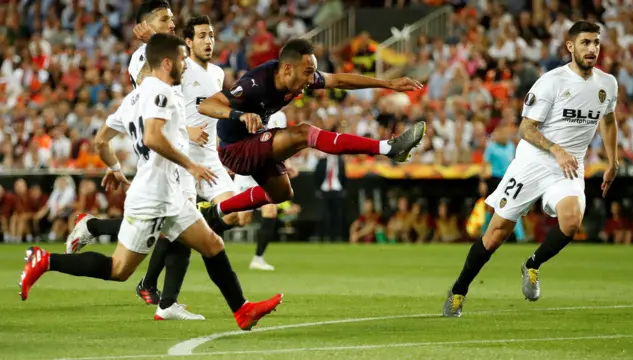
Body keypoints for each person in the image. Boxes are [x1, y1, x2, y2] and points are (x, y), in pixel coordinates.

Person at [20, 33, 282, 330]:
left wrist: (115, 167)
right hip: (153, 196)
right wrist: (191, 165)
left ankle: (242, 311)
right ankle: (45, 260)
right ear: (167, 62)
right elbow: (152, 137)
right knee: (119, 269)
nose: (185, 64)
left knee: (211, 243)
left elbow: (100, 140)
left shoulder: (133, 98)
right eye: (182, 59)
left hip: (168, 193)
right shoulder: (163, 93)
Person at [443, 21, 619, 317]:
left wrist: (613, 161)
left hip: (569, 166)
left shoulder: (607, 84)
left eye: (596, 43)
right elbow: (526, 128)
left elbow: (610, 121)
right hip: (533, 163)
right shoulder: (551, 82)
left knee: (572, 222)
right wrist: (556, 149)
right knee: (496, 233)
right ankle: (459, 290)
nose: (592, 49)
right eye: (586, 42)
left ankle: (532, 265)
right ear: (570, 46)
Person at [65, 4, 210, 311]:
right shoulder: (141, 58)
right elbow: (150, 91)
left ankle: (151, 286)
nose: (172, 23)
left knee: (173, 225)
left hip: (181, 147)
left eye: (172, 18)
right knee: (177, 225)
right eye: (164, 19)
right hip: (160, 153)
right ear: (146, 25)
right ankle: (161, 297)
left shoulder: (177, 52)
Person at [197, 38, 426, 226]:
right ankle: (388, 148)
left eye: (312, 73)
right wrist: (239, 115)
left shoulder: (297, 76)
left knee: (282, 194)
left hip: (255, 141)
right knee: (304, 133)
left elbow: (338, 80)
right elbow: (206, 105)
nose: (311, 80)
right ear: (287, 68)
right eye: (308, 73)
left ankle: (215, 211)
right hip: (234, 148)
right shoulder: (255, 83)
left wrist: (388, 84)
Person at [229, 110, 297, 270]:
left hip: (266, 172)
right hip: (247, 171)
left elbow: (282, 144)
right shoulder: (252, 111)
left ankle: (258, 258)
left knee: (270, 210)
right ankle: (204, 225)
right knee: (240, 219)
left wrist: (287, 165)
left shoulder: (280, 116)